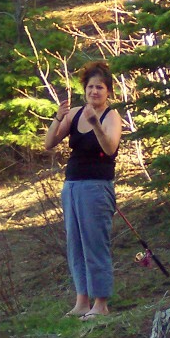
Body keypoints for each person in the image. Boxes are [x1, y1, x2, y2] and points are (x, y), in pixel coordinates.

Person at [44, 61, 122, 319]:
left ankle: (101, 304)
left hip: (97, 186)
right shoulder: (76, 113)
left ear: (108, 91)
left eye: (99, 87)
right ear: (84, 90)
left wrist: (95, 124)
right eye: (90, 87)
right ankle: (82, 301)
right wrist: (58, 117)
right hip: (72, 186)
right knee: (75, 244)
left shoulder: (111, 116)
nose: (94, 92)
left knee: (95, 244)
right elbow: (49, 143)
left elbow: (110, 148)